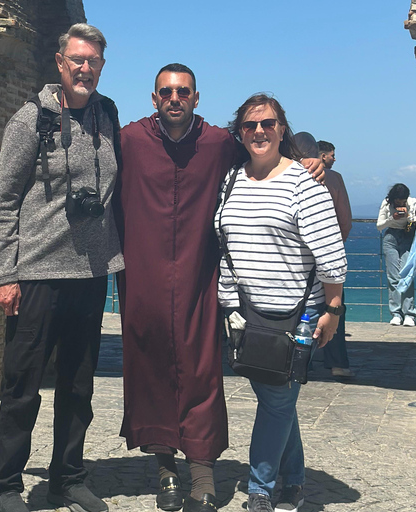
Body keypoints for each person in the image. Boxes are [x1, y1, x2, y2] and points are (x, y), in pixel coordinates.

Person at [115, 66, 325, 512]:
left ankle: (203, 473)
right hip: (144, 282)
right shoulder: (130, 140)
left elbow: (264, 146)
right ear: (154, 98)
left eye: (183, 91)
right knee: (150, 372)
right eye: (167, 92)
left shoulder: (217, 144)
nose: (175, 98)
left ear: (196, 97)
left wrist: (308, 157)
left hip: (200, 282)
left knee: (201, 375)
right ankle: (166, 471)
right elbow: (83, 161)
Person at [0, 23, 123, 512]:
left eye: (94, 61)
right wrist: (4, 274)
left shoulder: (108, 116)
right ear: (60, 63)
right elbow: (3, 203)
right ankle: (4, 486)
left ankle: (68, 477)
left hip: (90, 273)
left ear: (102, 66)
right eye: (78, 60)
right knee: (23, 387)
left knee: (78, 386)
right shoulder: (30, 120)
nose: (86, 68)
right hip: (37, 273)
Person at [216, 94, 347, 512]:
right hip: (244, 315)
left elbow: (330, 254)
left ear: (282, 129)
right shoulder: (231, 180)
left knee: (275, 400)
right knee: (277, 396)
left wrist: (334, 309)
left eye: (268, 123)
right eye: (251, 125)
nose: (260, 131)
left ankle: (260, 488)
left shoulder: (304, 184)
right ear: (239, 132)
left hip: (297, 316)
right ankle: (293, 479)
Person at [317, 140, 354, 378]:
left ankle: (300, 360)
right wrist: (334, 246)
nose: (334, 159)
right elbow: (345, 219)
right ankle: (337, 363)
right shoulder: (334, 179)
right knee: (335, 306)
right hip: (327, 252)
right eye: (331, 155)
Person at [376, 183, 416, 327]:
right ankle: (396, 313)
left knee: (406, 275)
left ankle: (409, 313)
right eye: (398, 202)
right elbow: (379, 225)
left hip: (407, 237)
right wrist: (392, 218)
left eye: (402, 201)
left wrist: (408, 216)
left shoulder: (412, 202)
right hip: (391, 238)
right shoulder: (386, 204)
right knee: (393, 276)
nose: (400, 204)